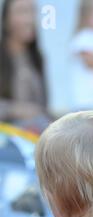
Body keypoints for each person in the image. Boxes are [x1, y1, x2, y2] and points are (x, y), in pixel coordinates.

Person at [0, 0, 51, 133]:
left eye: (32, 11)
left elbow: (43, 106)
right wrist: (17, 109)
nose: (30, 19)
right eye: (22, 12)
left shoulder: (37, 58)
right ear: (6, 20)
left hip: (34, 131)